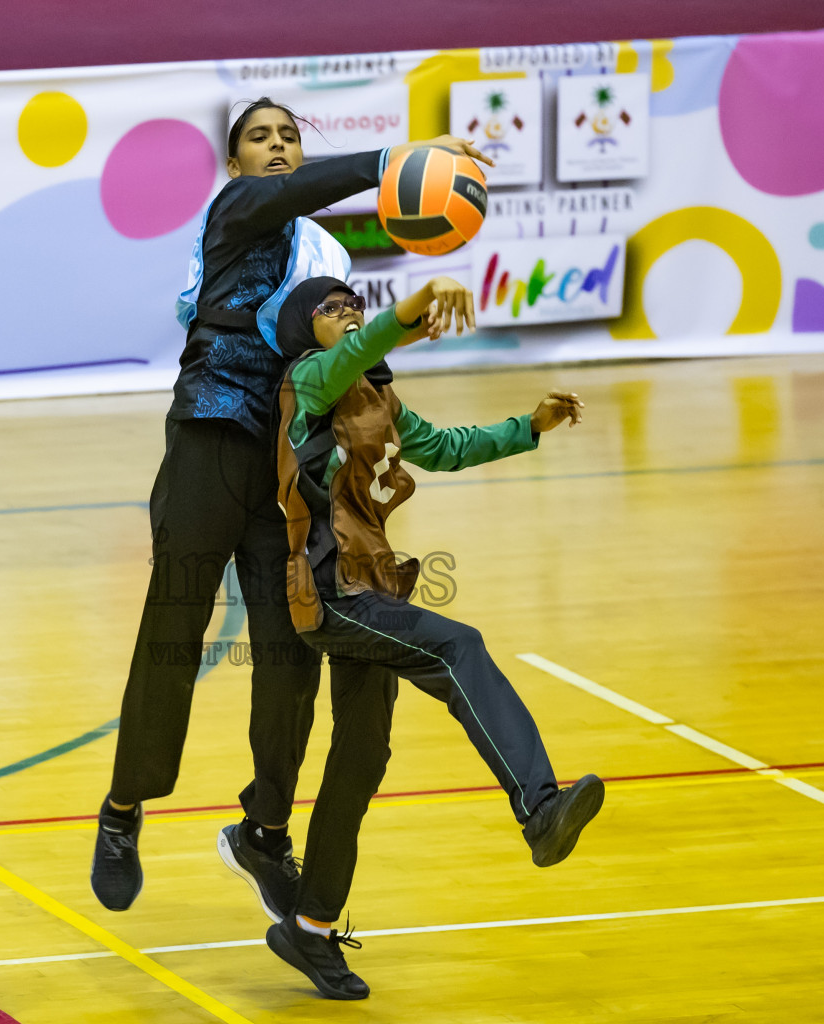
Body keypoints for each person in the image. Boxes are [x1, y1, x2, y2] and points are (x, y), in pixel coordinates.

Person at [90, 97, 492, 915]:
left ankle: (265, 829)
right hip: (205, 449)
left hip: (282, 471)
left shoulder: (324, 253)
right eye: (259, 139)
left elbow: (343, 352)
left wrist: (408, 329)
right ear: (236, 163)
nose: (276, 148)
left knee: (291, 650)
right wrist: (397, 163)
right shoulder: (236, 211)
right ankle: (122, 810)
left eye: (288, 137)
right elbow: (293, 194)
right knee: (172, 633)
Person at [252, 275, 604, 999]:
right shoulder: (306, 383)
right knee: (457, 644)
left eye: (356, 301)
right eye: (331, 308)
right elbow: (376, 338)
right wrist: (412, 308)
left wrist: (527, 427)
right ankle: (538, 808)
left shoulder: (381, 399)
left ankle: (310, 928)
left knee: (360, 759)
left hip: (374, 585)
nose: (349, 313)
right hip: (328, 592)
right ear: (302, 329)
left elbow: (443, 448)